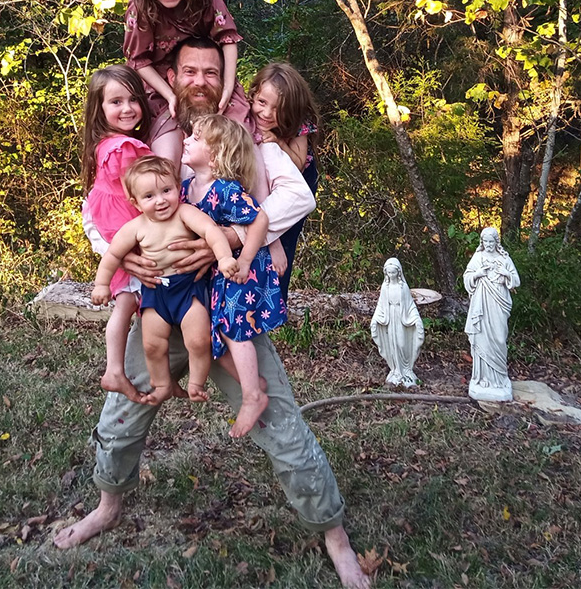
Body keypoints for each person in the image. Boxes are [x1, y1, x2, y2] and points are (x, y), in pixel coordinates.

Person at [60, 38, 371, 589]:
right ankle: (108, 504)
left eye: (211, 70)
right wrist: (122, 256)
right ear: (172, 78)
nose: (200, 80)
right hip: (160, 309)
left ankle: (334, 534)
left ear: (223, 79)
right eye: (189, 71)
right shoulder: (151, 138)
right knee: (123, 411)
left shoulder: (247, 139)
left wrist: (223, 239)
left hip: (227, 314)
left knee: (279, 421)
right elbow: (105, 205)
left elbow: (288, 201)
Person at [91, 155, 238, 404]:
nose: (160, 200)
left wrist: (223, 258)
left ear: (177, 188)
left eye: (166, 190)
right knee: (152, 345)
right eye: (149, 196)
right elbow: (114, 254)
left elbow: (211, 231)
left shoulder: (184, 213)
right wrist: (101, 284)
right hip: (156, 292)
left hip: (187, 288)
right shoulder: (135, 227)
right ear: (135, 202)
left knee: (198, 341)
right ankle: (161, 385)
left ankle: (196, 384)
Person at [181, 114, 286, 437]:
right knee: (214, 337)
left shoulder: (225, 190)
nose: (185, 140)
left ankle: (252, 396)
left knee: (231, 329)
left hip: (243, 270)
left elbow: (259, 221)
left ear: (215, 154)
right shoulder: (186, 190)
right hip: (217, 274)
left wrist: (246, 260)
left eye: (195, 138)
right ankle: (254, 383)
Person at [123, 0, 252, 163]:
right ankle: (172, 195)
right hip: (162, 84)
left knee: (240, 136)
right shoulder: (140, 7)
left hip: (205, 74)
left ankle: (249, 197)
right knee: (166, 151)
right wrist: (170, 95)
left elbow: (228, 36)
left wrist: (228, 85)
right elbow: (138, 61)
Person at [81, 65, 152, 398]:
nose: (127, 108)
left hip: (112, 220)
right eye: (116, 102)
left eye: (133, 99)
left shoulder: (107, 143)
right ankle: (114, 370)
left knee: (127, 301)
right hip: (124, 224)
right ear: (99, 108)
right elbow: (141, 194)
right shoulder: (122, 148)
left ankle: (119, 370)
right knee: (125, 303)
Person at [248, 62, 321, 298]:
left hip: (299, 178)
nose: (267, 114)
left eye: (278, 108)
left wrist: (277, 142)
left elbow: (298, 163)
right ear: (253, 94)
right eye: (261, 102)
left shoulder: (300, 120)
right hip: (265, 175)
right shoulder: (245, 111)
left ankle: (278, 298)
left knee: (285, 237)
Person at [464, 227, 520, 401]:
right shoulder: (478, 257)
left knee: (499, 338)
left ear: (497, 242)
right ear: (482, 242)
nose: (488, 245)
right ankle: (482, 379)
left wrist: (506, 274)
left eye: (491, 242)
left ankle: (499, 378)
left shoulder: (504, 259)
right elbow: (467, 277)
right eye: (485, 242)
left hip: (499, 304)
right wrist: (478, 274)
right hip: (481, 303)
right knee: (482, 337)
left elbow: (516, 281)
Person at [370, 258, 424, 388]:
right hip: (390, 319)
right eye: (389, 273)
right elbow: (381, 305)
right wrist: (375, 318)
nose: (391, 275)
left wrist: (416, 319)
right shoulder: (385, 287)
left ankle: (406, 370)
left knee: (401, 344)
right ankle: (395, 370)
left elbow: (410, 305)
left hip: (401, 318)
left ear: (398, 272)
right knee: (392, 345)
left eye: (393, 272)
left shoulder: (403, 287)